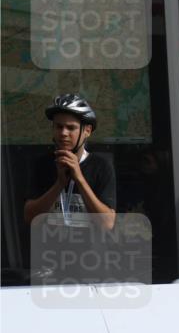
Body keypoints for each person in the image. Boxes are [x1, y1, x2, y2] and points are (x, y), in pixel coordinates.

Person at [25, 94, 116, 232]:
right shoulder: (42, 164)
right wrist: (59, 184)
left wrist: (79, 178)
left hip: (90, 253)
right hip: (49, 252)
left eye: (71, 128)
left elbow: (107, 223)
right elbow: (29, 217)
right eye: (58, 126)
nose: (63, 133)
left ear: (87, 131)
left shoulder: (101, 166)